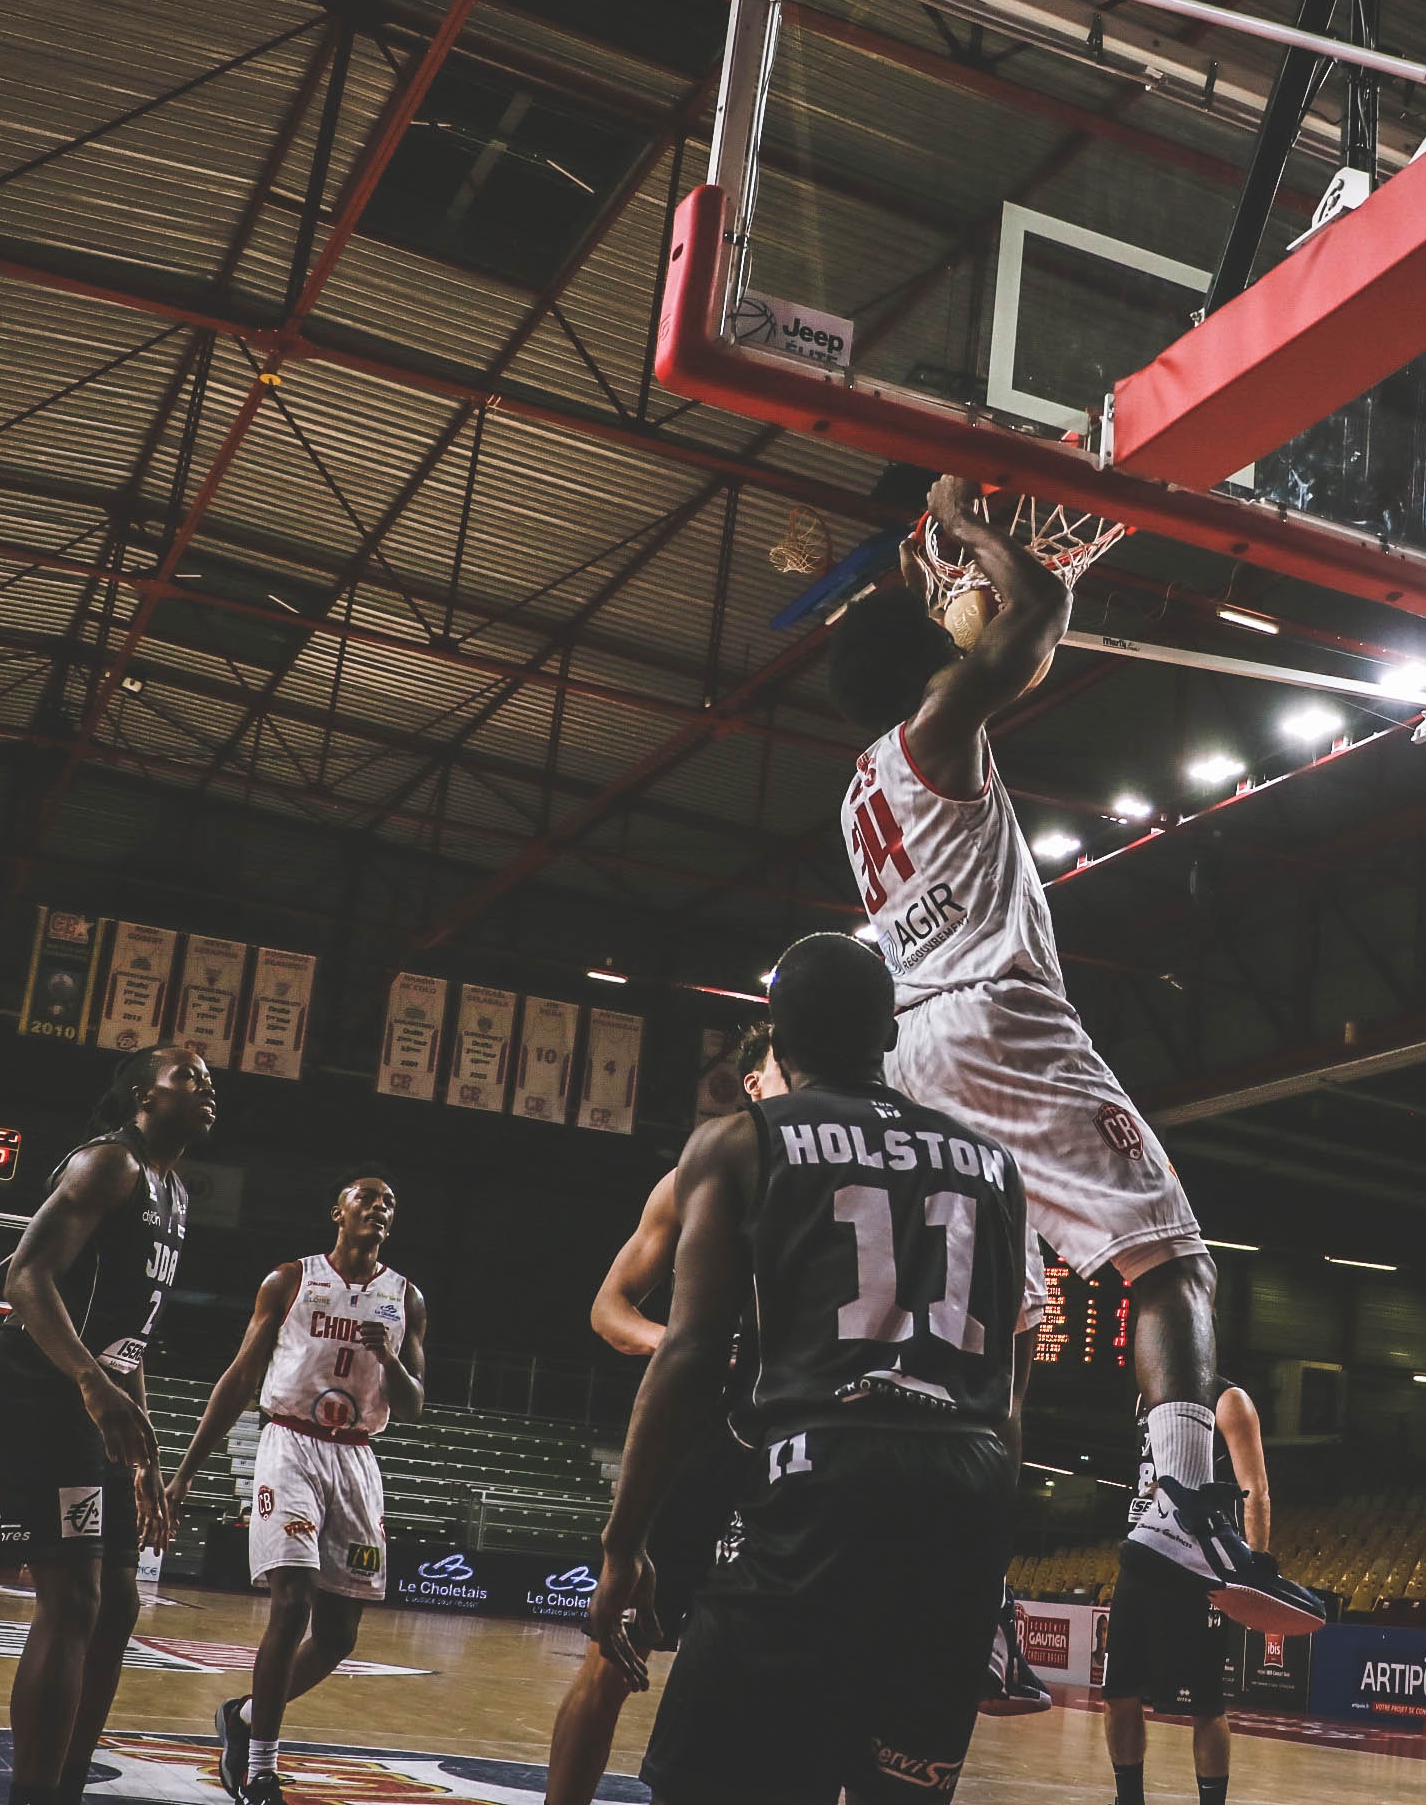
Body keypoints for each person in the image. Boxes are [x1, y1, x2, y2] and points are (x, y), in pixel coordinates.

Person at [827, 474, 1317, 1636]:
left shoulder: (856, 799)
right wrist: (973, 532)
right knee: (1173, 1261)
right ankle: (1182, 1499)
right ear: (924, 671)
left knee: (1004, 1340)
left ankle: (968, 1586)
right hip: (998, 1023)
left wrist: (922, 585)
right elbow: (1037, 608)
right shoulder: (933, 731)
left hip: (917, 1060)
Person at [585, 931, 1030, 1804]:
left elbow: (691, 1352)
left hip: (823, 1471)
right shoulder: (995, 1166)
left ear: (774, 1038)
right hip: (969, 1485)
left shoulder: (738, 1142)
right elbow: (1009, 1384)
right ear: (892, 1035)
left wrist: (622, 1541)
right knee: (895, 1788)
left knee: (707, 1781)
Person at [544, 1028, 794, 1805]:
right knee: (613, 1659)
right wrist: (681, 1341)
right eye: (790, 1066)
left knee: (790, 1681)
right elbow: (607, 1307)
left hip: (797, 1446)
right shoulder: (703, 1170)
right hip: (699, 1445)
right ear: (754, 1087)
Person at [0, 1045, 207, 1805]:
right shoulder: (109, 1164)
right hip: (45, 1387)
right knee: (73, 1599)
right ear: (143, 1093)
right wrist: (90, 1382)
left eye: (210, 1080)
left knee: (120, 1604)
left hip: (101, 1396)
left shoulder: (175, 1190)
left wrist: (145, 1456)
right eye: (190, 1076)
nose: (207, 1086)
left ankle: (68, 1787)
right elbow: (23, 1276)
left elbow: (130, 1336)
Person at [168, 1176, 427, 1805]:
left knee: (339, 1636)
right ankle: (261, 1768)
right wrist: (186, 1469)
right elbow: (238, 1377)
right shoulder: (289, 1281)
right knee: (292, 1601)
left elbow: (415, 1405)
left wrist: (388, 1358)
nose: (379, 1208)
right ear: (337, 1210)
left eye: (390, 1202)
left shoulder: (406, 1298)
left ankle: (245, 1718)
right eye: (367, 1198)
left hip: (357, 1459)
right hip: (290, 1442)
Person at [1105, 1379, 1270, 1805]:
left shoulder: (1230, 1399)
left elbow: (1257, 1490)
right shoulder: (1148, 1394)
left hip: (1199, 1563)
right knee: (1119, 1693)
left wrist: (1256, 1569)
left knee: (1206, 1704)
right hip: (1143, 1555)